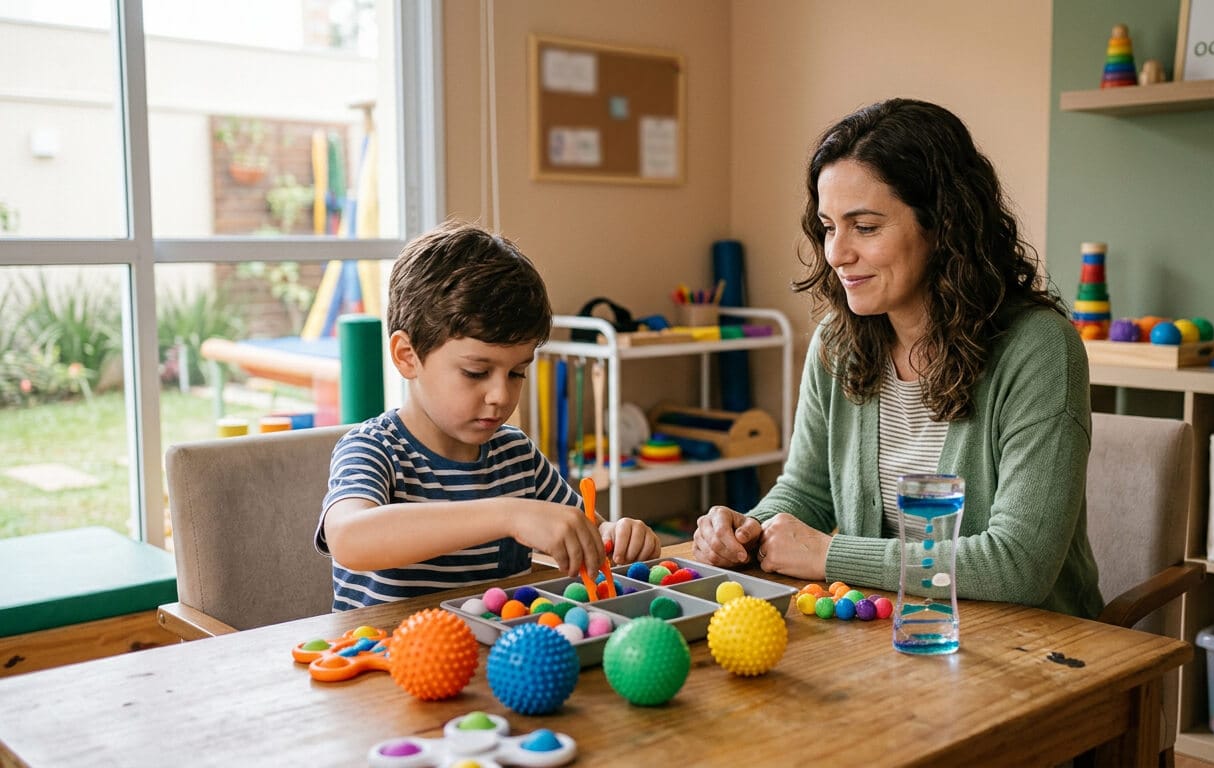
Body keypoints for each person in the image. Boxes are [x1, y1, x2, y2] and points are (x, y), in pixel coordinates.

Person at [692, 99, 1102, 618]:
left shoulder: (1040, 350)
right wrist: (746, 528)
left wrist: (829, 555)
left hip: (1038, 649)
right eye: (827, 226)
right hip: (892, 633)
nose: (836, 253)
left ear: (943, 226)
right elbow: (806, 490)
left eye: (864, 227)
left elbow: (1018, 564)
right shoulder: (836, 344)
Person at [317, 221, 661, 610]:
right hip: (390, 662)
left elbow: (586, 534)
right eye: (476, 372)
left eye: (517, 372)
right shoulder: (373, 449)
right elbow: (348, 539)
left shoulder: (517, 455)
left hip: (497, 661)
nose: (501, 396)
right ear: (407, 356)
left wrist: (618, 535)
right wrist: (509, 515)